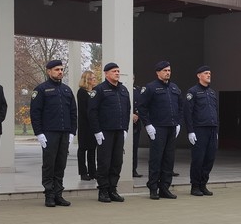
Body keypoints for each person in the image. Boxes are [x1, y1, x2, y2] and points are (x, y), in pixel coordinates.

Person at [30, 58, 77, 207]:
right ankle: (49, 194)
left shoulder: (67, 90)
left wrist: (72, 132)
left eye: (62, 69)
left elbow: (73, 112)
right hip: (49, 133)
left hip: (64, 132)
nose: (60, 72)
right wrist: (39, 133)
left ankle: (58, 194)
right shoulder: (41, 89)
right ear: (49, 71)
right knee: (49, 164)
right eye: (57, 70)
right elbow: (35, 113)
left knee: (60, 164)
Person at [137, 60, 182, 200]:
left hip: (171, 127)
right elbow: (142, 107)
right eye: (165, 70)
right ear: (158, 72)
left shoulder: (174, 88)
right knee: (156, 159)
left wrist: (178, 123)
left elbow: (181, 107)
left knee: (169, 159)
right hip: (158, 128)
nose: (167, 73)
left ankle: (165, 188)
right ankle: (153, 188)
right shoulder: (150, 88)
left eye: (169, 70)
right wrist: (148, 125)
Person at [88, 62, 131, 203]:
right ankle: (103, 190)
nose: (117, 73)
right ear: (106, 74)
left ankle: (113, 189)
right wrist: (97, 131)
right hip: (105, 131)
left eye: (118, 71)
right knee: (104, 162)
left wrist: (125, 128)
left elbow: (127, 110)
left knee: (117, 161)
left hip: (119, 131)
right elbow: (92, 112)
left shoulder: (124, 90)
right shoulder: (99, 90)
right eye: (114, 71)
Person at [184, 66, 219, 196]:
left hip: (212, 129)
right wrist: (190, 131)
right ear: (199, 76)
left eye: (210, 73)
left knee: (209, 158)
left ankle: (203, 184)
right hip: (199, 130)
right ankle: (195, 186)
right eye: (206, 73)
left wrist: (216, 130)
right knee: (198, 159)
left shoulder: (212, 93)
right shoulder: (192, 92)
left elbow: (216, 112)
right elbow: (188, 113)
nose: (209, 75)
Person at [76, 69, 98, 181]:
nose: (95, 80)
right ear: (88, 80)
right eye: (93, 78)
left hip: (93, 124)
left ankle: (93, 171)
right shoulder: (82, 92)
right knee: (83, 148)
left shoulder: (94, 92)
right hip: (85, 125)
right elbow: (85, 109)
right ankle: (83, 172)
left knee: (92, 149)